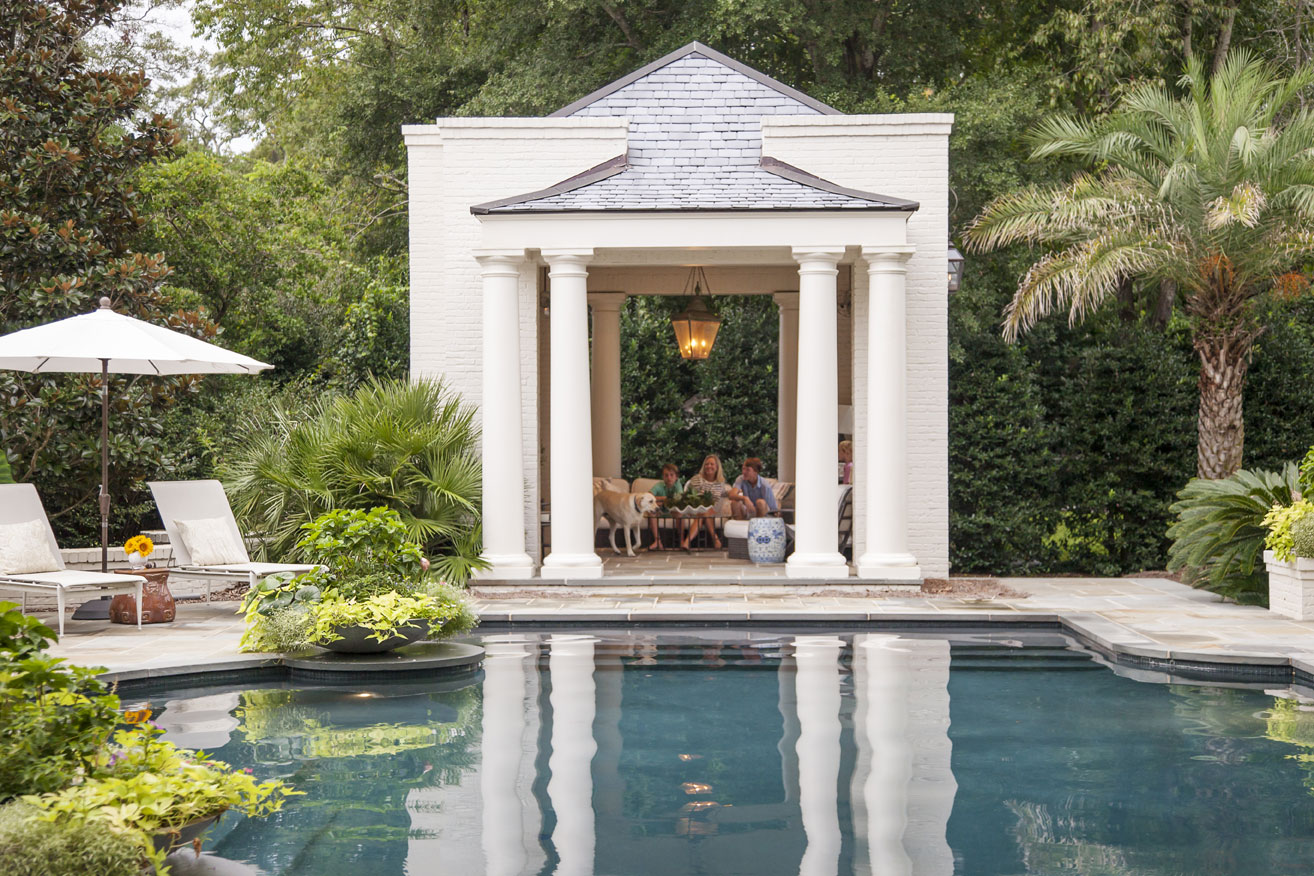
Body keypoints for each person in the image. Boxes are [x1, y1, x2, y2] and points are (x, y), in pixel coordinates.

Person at [682, 454, 729, 550]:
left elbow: (724, 493)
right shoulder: (697, 479)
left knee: (705, 512)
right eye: (707, 464)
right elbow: (693, 498)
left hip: (712, 511)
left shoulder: (720, 482)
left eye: (712, 464)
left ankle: (687, 542)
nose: (709, 466)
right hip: (695, 509)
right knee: (704, 511)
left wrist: (736, 493)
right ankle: (715, 539)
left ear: (717, 467)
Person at [646, 463, 685, 551]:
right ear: (663, 477)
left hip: (673, 512)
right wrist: (666, 499)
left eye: (672, 475)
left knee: (679, 512)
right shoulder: (659, 485)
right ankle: (657, 541)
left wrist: (660, 500)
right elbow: (648, 496)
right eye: (666, 475)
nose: (669, 478)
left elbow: (678, 498)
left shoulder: (678, 485)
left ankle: (681, 541)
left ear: (676, 477)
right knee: (651, 512)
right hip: (660, 512)